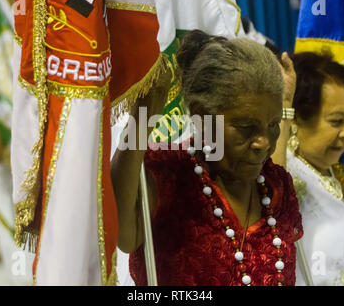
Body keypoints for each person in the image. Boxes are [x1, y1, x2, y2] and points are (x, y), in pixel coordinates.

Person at [111, 30, 303, 286]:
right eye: (246, 127)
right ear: (204, 117)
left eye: (273, 124)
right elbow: (122, 232)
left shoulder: (275, 185)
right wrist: (141, 119)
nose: (264, 142)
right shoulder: (167, 174)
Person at [273, 52, 344, 285]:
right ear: (297, 117)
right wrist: (283, 105)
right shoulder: (287, 172)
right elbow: (271, 193)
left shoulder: (335, 173)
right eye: (336, 121)